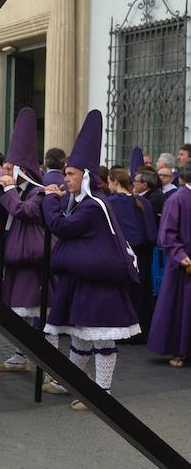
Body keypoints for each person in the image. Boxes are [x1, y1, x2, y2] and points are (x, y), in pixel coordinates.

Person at [41, 110, 140, 410]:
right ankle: (69, 381)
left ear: (85, 176)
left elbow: (62, 227)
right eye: (66, 173)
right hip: (84, 278)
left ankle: (101, 393)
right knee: (81, 334)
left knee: (100, 338)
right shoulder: (83, 202)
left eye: (71, 174)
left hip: (100, 282)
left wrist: (49, 199)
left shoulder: (94, 205)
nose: (66, 179)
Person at [0, 108, 57, 374]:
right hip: (11, 255)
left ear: (21, 170)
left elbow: (24, 212)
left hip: (32, 259)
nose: (3, 171)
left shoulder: (40, 193)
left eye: (7, 168)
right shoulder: (11, 189)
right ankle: (20, 354)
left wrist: (9, 190)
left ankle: (51, 361)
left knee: (39, 312)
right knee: (17, 311)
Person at [148, 162, 191, 367]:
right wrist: (179, 253)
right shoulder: (177, 199)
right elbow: (167, 233)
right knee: (181, 309)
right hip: (184, 266)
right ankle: (178, 351)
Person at [107, 167, 157, 340]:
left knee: (123, 293)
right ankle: (140, 332)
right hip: (142, 256)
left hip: (122, 255)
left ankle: (124, 332)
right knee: (141, 293)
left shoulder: (112, 202)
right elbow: (151, 233)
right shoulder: (144, 202)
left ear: (114, 182)